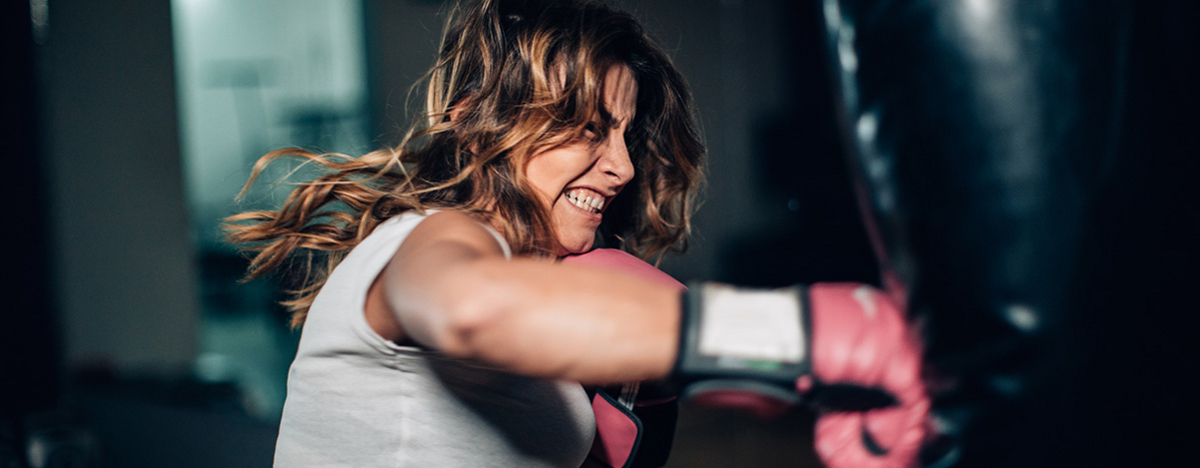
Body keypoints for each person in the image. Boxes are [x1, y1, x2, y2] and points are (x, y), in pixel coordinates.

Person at [228, 1, 927, 467]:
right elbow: (472, 308)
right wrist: (804, 335)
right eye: (588, 128)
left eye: (624, 133)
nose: (621, 165)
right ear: (475, 118)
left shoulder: (559, 302)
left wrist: (818, 392)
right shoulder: (423, 240)